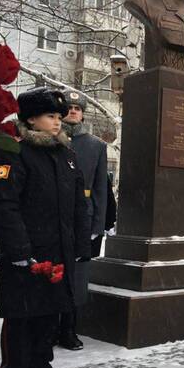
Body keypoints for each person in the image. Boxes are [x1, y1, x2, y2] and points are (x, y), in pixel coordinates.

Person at [0, 87, 89, 368]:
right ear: (31, 119)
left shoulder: (67, 155)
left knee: (49, 313)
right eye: (51, 116)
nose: (58, 121)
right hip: (27, 253)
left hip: (58, 250)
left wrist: (80, 245)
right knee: (22, 315)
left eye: (60, 116)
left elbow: (79, 206)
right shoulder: (14, 152)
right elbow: (4, 204)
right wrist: (19, 250)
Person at [55, 91, 108, 350]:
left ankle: (69, 329)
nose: (73, 111)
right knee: (54, 273)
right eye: (69, 107)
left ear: (84, 113)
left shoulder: (96, 145)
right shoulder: (50, 140)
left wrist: (97, 224)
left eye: (78, 108)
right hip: (54, 215)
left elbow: (100, 189)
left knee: (78, 278)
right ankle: (50, 326)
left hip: (83, 217)